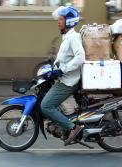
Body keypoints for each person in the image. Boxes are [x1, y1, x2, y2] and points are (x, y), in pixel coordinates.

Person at [40, 6, 85, 145]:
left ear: (69, 21)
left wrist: (63, 70)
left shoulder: (73, 37)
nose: (58, 22)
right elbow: (65, 58)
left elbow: (80, 57)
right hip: (64, 79)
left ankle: (73, 127)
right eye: (58, 19)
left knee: (46, 106)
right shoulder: (67, 37)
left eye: (61, 19)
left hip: (68, 81)